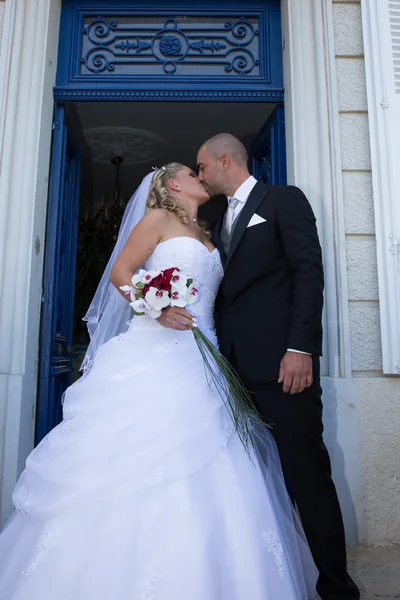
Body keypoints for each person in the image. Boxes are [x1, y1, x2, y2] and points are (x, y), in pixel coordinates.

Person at [0, 164, 317, 599]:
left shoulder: (208, 231)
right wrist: (156, 308)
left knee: (216, 459)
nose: (199, 176)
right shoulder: (158, 219)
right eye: (191, 171)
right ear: (172, 184)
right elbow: (120, 273)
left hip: (206, 358)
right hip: (157, 351)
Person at [197, 134, 360, 600]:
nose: (202, 175)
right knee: (247, 478)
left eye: (203, 166)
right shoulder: (211, 218)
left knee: (306, 475)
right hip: (230, 371)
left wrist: (301, 348)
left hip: (283, 366)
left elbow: (309, 271)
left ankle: (336, 587)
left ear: (226, 160)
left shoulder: (283, 201)